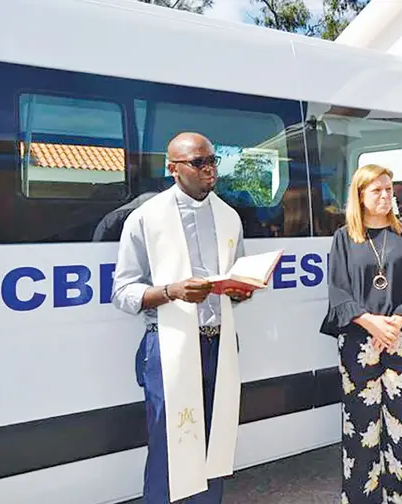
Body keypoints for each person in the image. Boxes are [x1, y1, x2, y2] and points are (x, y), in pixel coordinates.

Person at [112, 132, 255, 504]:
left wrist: (239, 291)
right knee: (169, 448)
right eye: (198, 163)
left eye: (212, 161)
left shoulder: (229, 217)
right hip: (169, 345)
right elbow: (122, 292)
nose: (209, 170)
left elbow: (234, 279)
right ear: (172, 168)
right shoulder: (145, 218)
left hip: (219, 341)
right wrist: (171, 291)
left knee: (214, 446)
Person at [319, 164, 402, 504]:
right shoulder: (344, 237)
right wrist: (370, 322)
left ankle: (401, 497)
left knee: (400, 426)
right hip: (359, 341)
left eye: (388, 189)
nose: (386, 195)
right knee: (360, 427)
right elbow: (339, 292)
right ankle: (361, 498)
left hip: (401, 340)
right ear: (360, 196)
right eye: (377, 190)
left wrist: (395, 323)